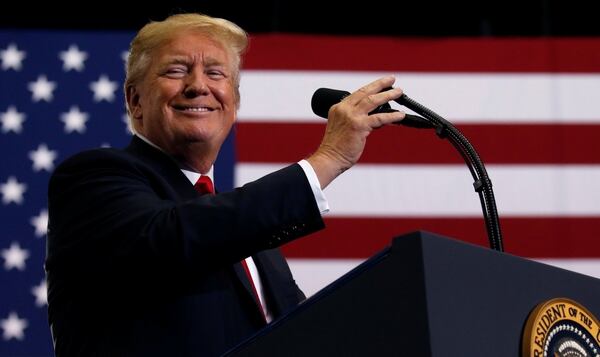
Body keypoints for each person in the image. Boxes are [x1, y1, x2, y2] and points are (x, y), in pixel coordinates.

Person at [45, 13, 406, 357]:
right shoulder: (92, 179)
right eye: (176, 70)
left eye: (215, 73)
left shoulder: (254, 243)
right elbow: (174, 237)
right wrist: (327, 160)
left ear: (233, 104)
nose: (198, 86)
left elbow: (301, 332)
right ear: (134, 100)